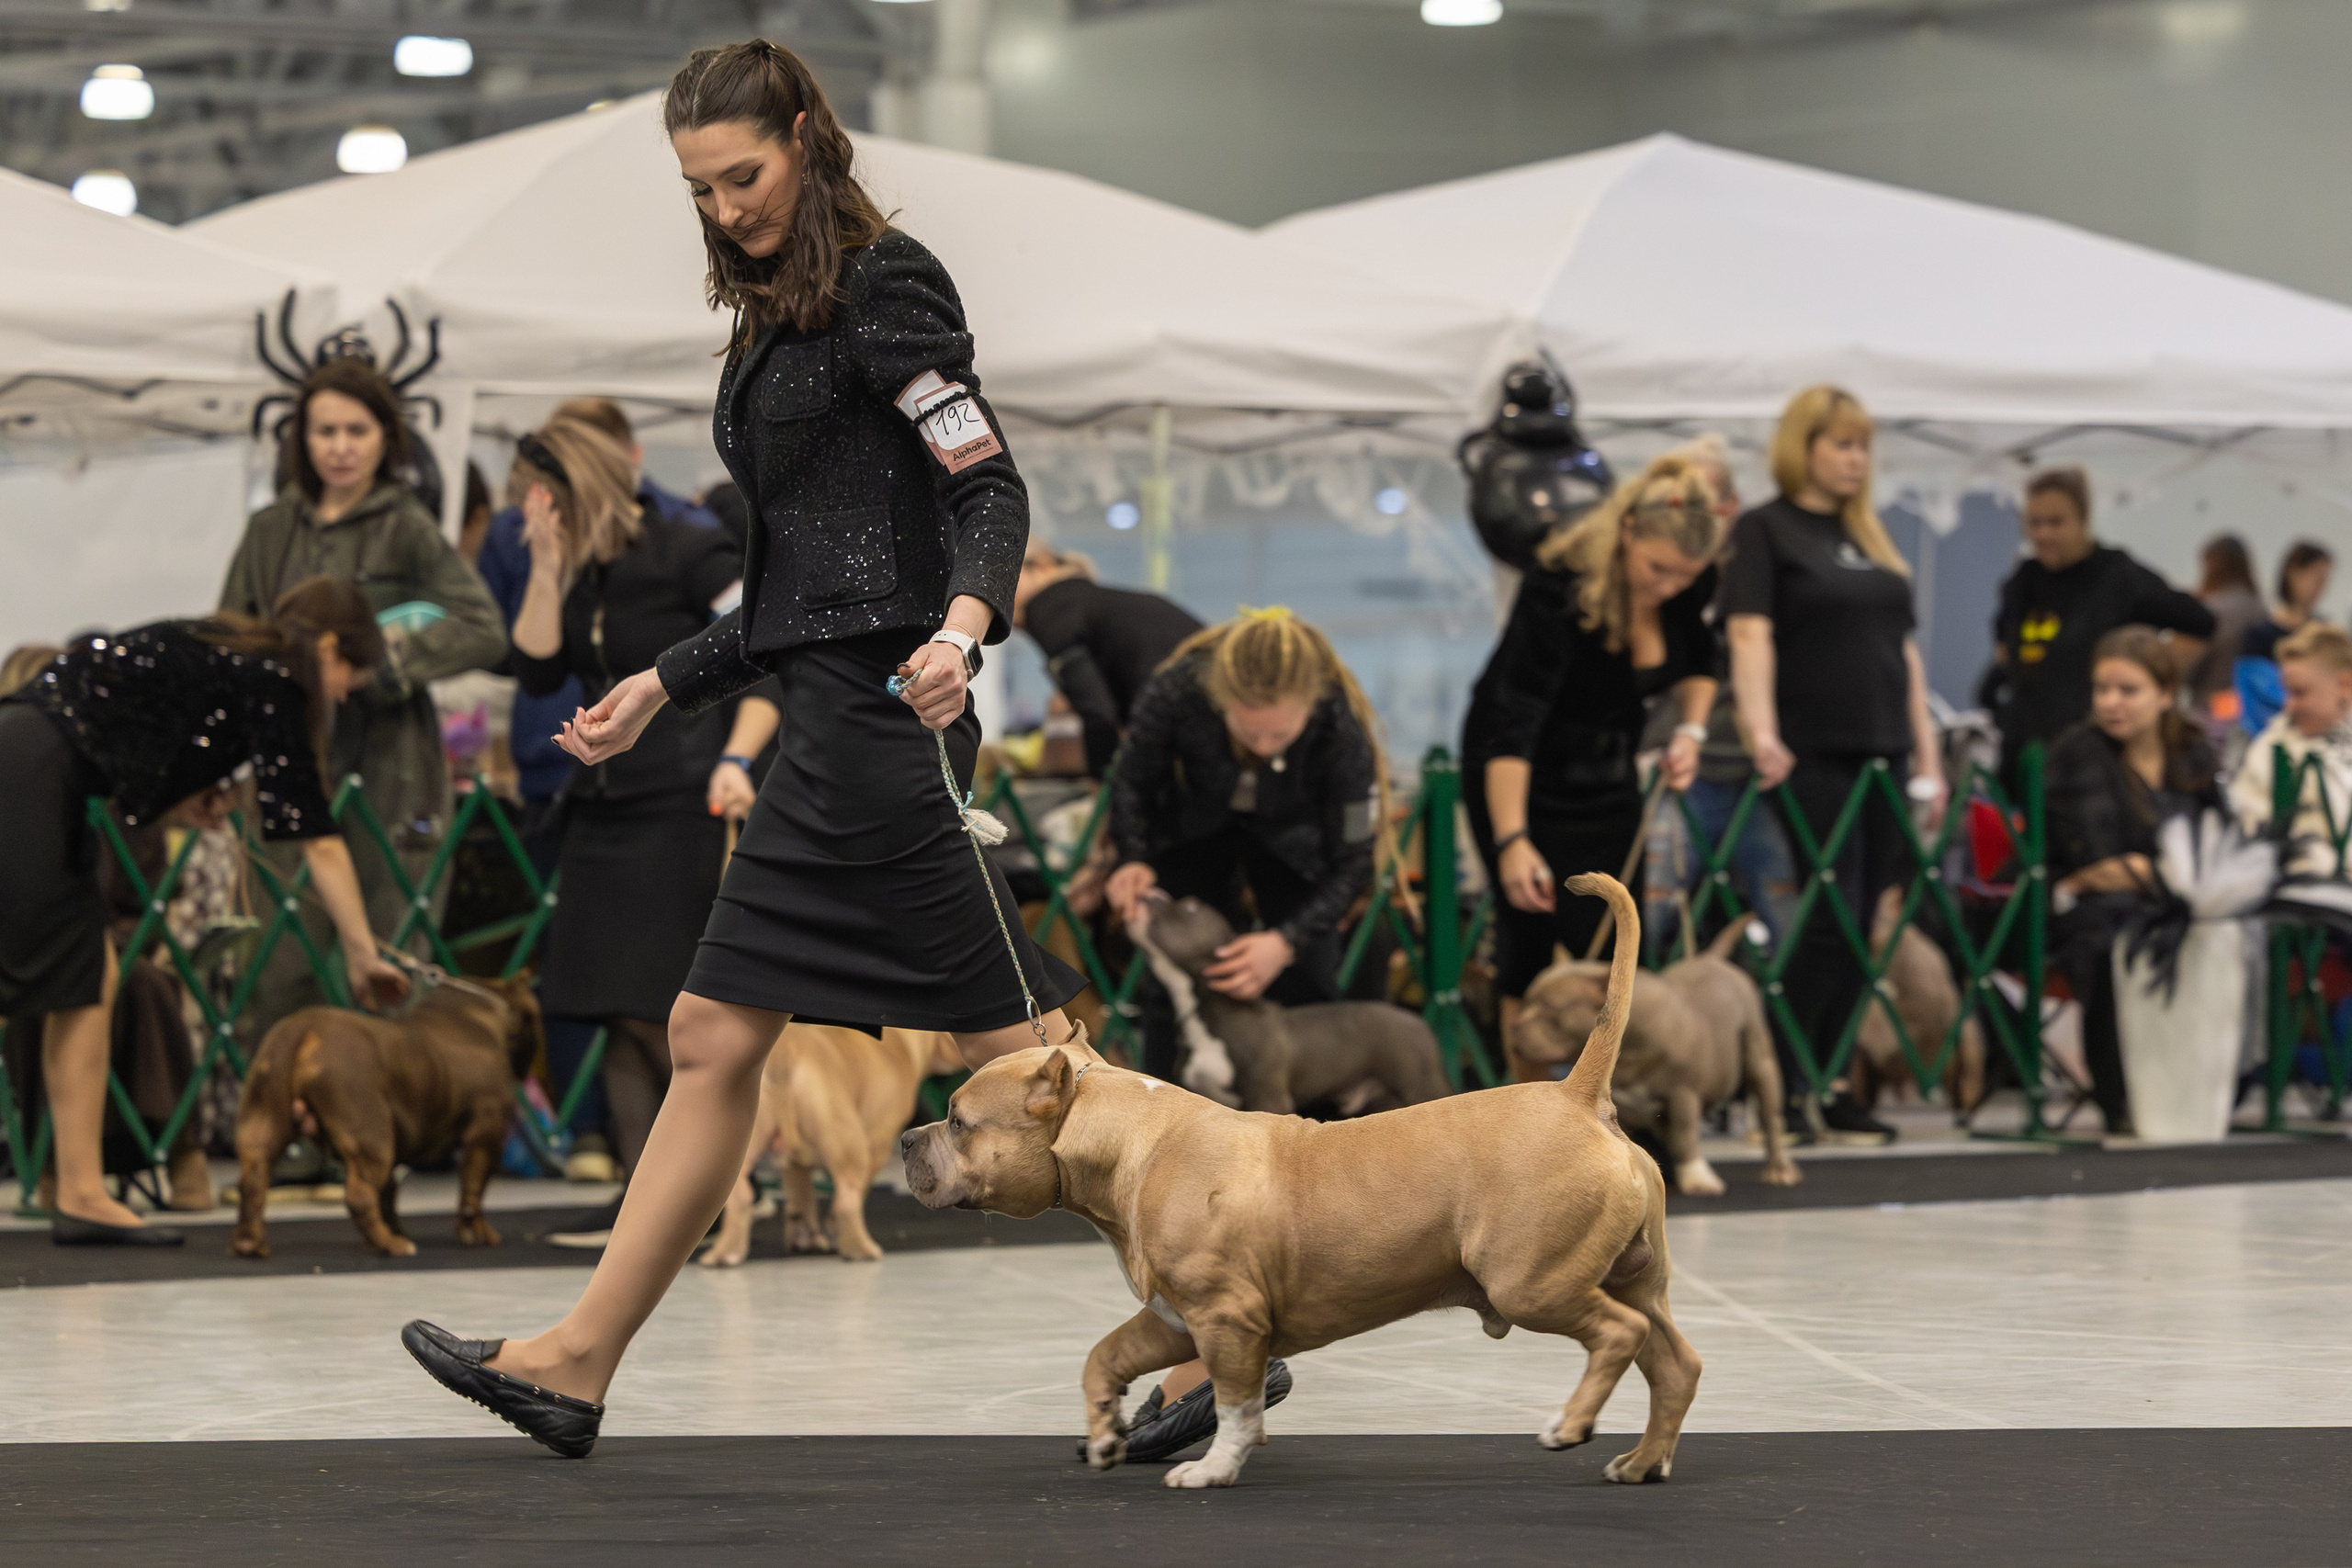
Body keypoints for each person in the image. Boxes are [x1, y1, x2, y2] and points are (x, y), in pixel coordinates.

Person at [401, 38, 1089, 1458]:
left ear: (806, 137)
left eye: (744, 175)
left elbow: (988, 484)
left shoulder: (888, 285)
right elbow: (801, 587)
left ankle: (1229, 1313)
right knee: (714, 1033)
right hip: (823, 729)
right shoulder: (777, 315)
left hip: (888, 726)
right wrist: (662, 681)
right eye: (699, 189)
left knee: (1027, 1063)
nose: (724, 207)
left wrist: (964, 631)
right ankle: (578, 1359)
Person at [0, 580, 410, 1244]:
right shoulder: (275, 681)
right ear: (330, 648)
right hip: (31, 773)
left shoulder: (227, 653)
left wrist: (182, 795)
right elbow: (318, 838)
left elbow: (124, 731)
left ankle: (80, 1191)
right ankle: (79, 1191)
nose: (340, 697)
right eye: (349, 681)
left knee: (89, 975)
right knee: (69, 975)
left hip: (36, 764)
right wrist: (363, 954)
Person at [1099, 605, 1378, 1452]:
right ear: (1217, 700)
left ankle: (1299, 1272)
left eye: (1275, 734)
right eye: (1243, 731)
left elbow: (1356, 860)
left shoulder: (1339, 724)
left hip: (1300, 876)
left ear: (1309, 704)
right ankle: (1189, 1293)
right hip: (1192, 864)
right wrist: (1133, 856)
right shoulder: (1178, 690)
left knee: (1307, 1061)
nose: (1259, 746)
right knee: (1169, 1054)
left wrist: (1285, 942)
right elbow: (1130, 788)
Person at [502, 415, 752, 1236]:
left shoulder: (689, 544)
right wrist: (545, 566)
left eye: (537, 498)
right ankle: (645, 1192)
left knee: (661, 1008)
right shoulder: (578, 566)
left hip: (682, 798)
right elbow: (538, 667)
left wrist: (737, 758)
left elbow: (764, 652)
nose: (527, 513)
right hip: (600, 803)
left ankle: (699, 1189)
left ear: (569, 488)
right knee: (609, 1002)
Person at [218, 358, 504, 1032]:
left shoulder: (407, 526)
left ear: (386, 437)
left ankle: (386, 1103)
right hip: (290, 757)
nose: (340, 447)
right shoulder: (268, 531)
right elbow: (230, 635)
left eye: (357, 430)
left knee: (389, 964)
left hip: (391, 770)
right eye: (325, 431)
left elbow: (484, 629)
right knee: (278, 966)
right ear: (301, 438)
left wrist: (377, 669)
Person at [1721, 385, 1945, 1145]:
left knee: (1867, 920)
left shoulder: (1870, 535)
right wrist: (1762, 730)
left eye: (1863, 446)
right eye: (1842, 444)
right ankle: (1783, 1083)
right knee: (1828, 917)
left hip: (1886, 750)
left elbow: (1904, 654)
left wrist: (1928, 754)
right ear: (1805, 447)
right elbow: (1749, 635)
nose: (1856, 460)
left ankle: (1834, 1080)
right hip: (1813, 751)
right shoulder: (1766, 530)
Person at [1460, 451, 1724, 1080]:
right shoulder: (1558, 584)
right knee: (1528, 939)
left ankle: (1612, 1104)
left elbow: (1702, 662)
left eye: (1685, 576)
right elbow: (1512, 723)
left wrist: (1690, 732)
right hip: (1520, 774)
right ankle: (1525, 1112)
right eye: (1658, 569)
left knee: (1618, 944)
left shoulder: (1690, 582)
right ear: (1627, 531)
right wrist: (1512, 840)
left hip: (1609, 773)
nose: (1670, 586)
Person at [2045, 627, 2222, 1134]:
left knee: (2230, 932)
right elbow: (2098, 860)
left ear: (2166, 695)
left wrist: (2153, 872)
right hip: (2075, 908)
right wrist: (2160, 872)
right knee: (2116, 932)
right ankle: (2119, 1095)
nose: (2110, 703)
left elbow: (2216, 843)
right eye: (2102, 689)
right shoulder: (2076, 752)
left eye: (2127, 690)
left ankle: (2213, 1085)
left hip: (2180, 901)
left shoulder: (2194, 753)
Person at [1985, 467, 2212, 789]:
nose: (2044, 534)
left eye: (2056, 522)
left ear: (2083, 521)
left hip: (2093, 763)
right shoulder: (2022, 581)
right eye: (2035, 523)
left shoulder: (2117, 576)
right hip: (2024, 754)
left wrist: (2151, 677)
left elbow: (2200, 624)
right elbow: (2005, 649)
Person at [1012, 542, 1204, 777]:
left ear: (1043, 566)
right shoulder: (1098, 605)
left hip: (1187, 733)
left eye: (1003, 573)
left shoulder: (1051, 608)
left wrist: (1101, 781)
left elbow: (1099, 714)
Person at [2229, 622, 2352, 878]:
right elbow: (2248, 832)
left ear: (2344, 685)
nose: (2289, 705)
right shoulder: (2269, 752)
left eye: (2300, 692)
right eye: (2287, 692)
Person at [2237, 540, 2335, 736]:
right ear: (2293, 573)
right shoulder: (2260, 635)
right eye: (2315, 577)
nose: (2320, 587)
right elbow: (2255, 696)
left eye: (2324, 579)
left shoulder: (2326, 632)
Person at [2188, 534, 2264, 715]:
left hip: (2211, 702)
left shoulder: (2209, 609)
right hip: (2249, 703)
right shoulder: (2259, 608)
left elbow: (2192, 663)